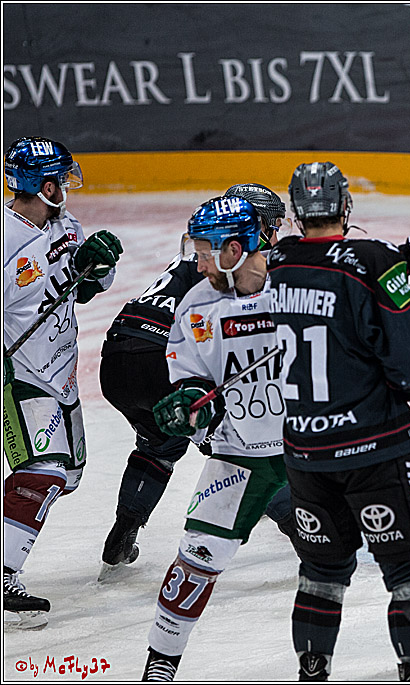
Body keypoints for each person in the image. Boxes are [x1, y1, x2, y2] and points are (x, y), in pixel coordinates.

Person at [267, 161, 410, 682]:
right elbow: (408, 370)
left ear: (295, 212)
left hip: (306, 453)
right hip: (376, 449)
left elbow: (342, 265)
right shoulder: (375, 262)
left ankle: (312, 670)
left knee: (322, 572)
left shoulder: (277, 261)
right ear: (345, 205)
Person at [98, 183, 286, 574]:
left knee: (158, 444)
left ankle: (124, 529)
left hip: (117, 355)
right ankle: (308, 532)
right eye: (272, 226)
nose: (274, 235)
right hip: (163, 359)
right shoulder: (235, 267)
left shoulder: (202, 255)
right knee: (246, 449)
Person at [140, 196, 288, 680]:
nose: (198, 263)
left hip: (314, 443)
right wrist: (190, 403)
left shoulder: (298, 286)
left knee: (389, 531)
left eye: (205, 252)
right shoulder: (196, 305)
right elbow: (192, 378)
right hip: (239, 452)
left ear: (234, 250)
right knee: (198, 556)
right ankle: (161, 663)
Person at [3, 136, 123, 628]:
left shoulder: (65, 224)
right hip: (19, 375)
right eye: (61, 179)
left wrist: (93, 268)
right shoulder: (4, 237)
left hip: (61, 372)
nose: (68, 187)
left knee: (67, 477)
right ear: (44, 186)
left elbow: (79, 289)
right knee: (45, 472)